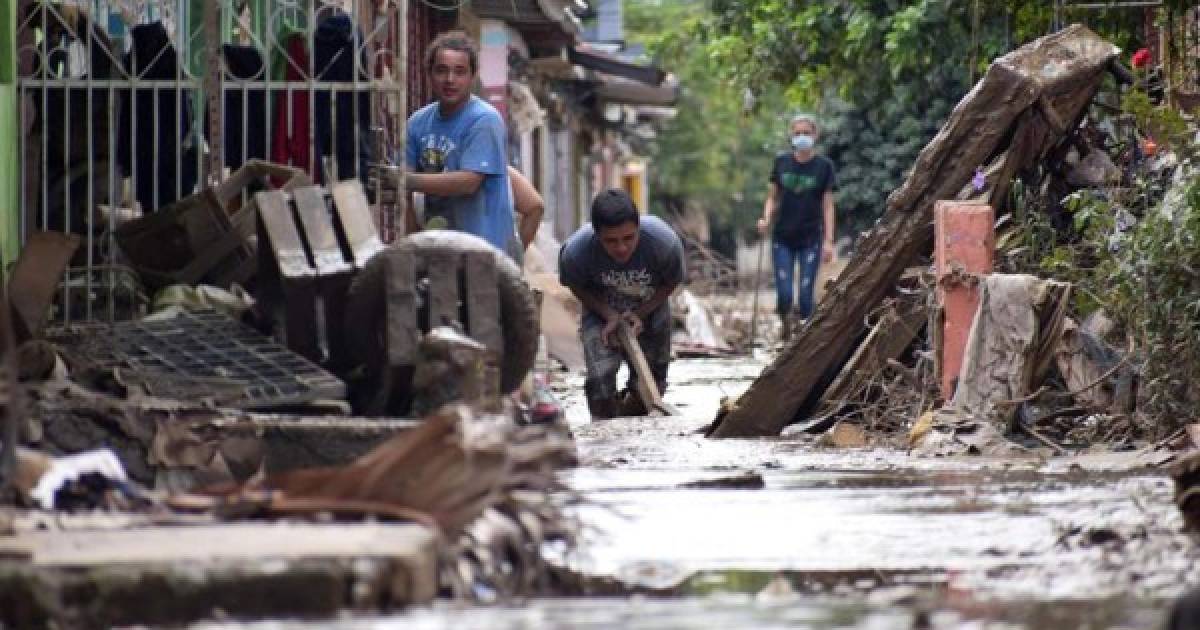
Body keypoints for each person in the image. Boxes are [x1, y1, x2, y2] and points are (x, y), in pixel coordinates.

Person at [559, 189, 685, 419]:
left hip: (650, 308)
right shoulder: (576, 253)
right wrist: (608, 314)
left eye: (629, 238)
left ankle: (635, 430)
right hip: (600, 311)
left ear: (638, 228)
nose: (621, 248)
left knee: (651, 383)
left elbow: (671, 281)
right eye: (611, 241)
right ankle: (604, 434)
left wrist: (641, 312)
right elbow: (575, 284)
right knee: (600, 380)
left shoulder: (663, 243)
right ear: (596, 234)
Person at [398, 30, 520, 259]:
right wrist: (412, 242)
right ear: (429, 74)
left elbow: (468, 182)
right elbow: (401, 192)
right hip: (438, 251)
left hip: (485, 252)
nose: (450, 80)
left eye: (460, 71)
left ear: (472, 76)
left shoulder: (485, 120)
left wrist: (405, 181)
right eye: (441, 70)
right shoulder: (417, 123)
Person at [756, 113, 837, 341]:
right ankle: (785, 324)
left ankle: (804, 337)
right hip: (782, 237)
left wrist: (829, 241)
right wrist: (765, 218)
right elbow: (772, 197)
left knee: (805, 295)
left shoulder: (824, 167)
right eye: (797, 133)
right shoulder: (782, 163)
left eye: (806, 133)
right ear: (791, 136)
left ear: (815, 135)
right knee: (784, 294)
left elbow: (828, 206)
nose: (802, 137)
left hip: (811, 239)